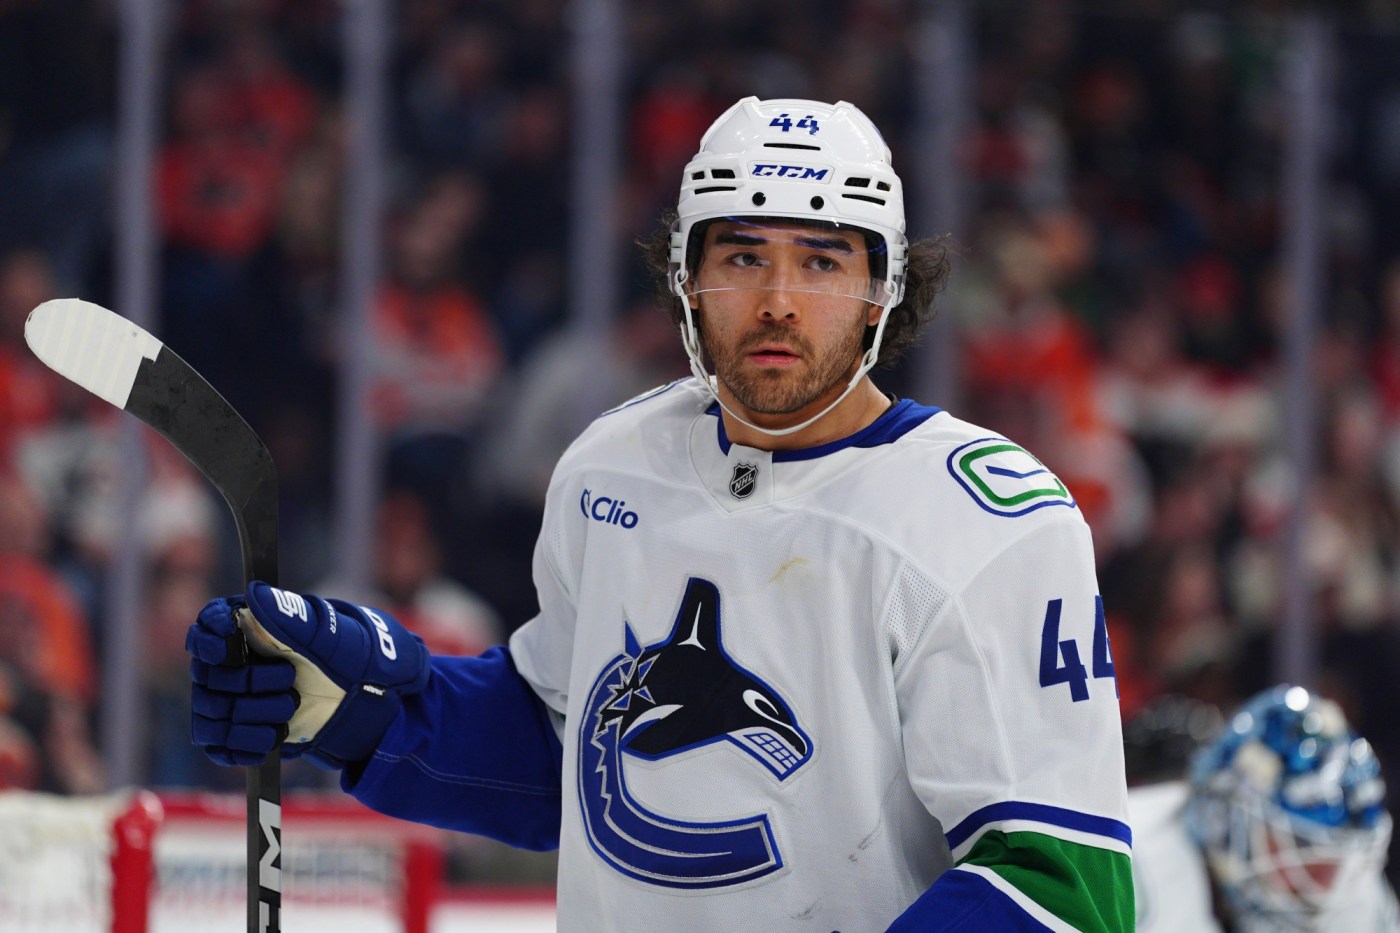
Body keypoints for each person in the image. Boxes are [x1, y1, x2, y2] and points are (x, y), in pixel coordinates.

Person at [185, 96, 1134, 929]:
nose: (778, 302)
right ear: (685, 276)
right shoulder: (616, 463)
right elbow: (570, 747)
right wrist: (363, 708)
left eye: (822, 261)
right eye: (743, 256)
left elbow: (1062, 886)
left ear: (884, 288)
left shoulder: (988, 520)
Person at [1128, 684, 1399, 931]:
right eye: (1301, 846)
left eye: (1337, 861)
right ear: (1225, 817)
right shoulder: (1135, 860)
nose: (1323, 885)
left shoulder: (1353, 898)